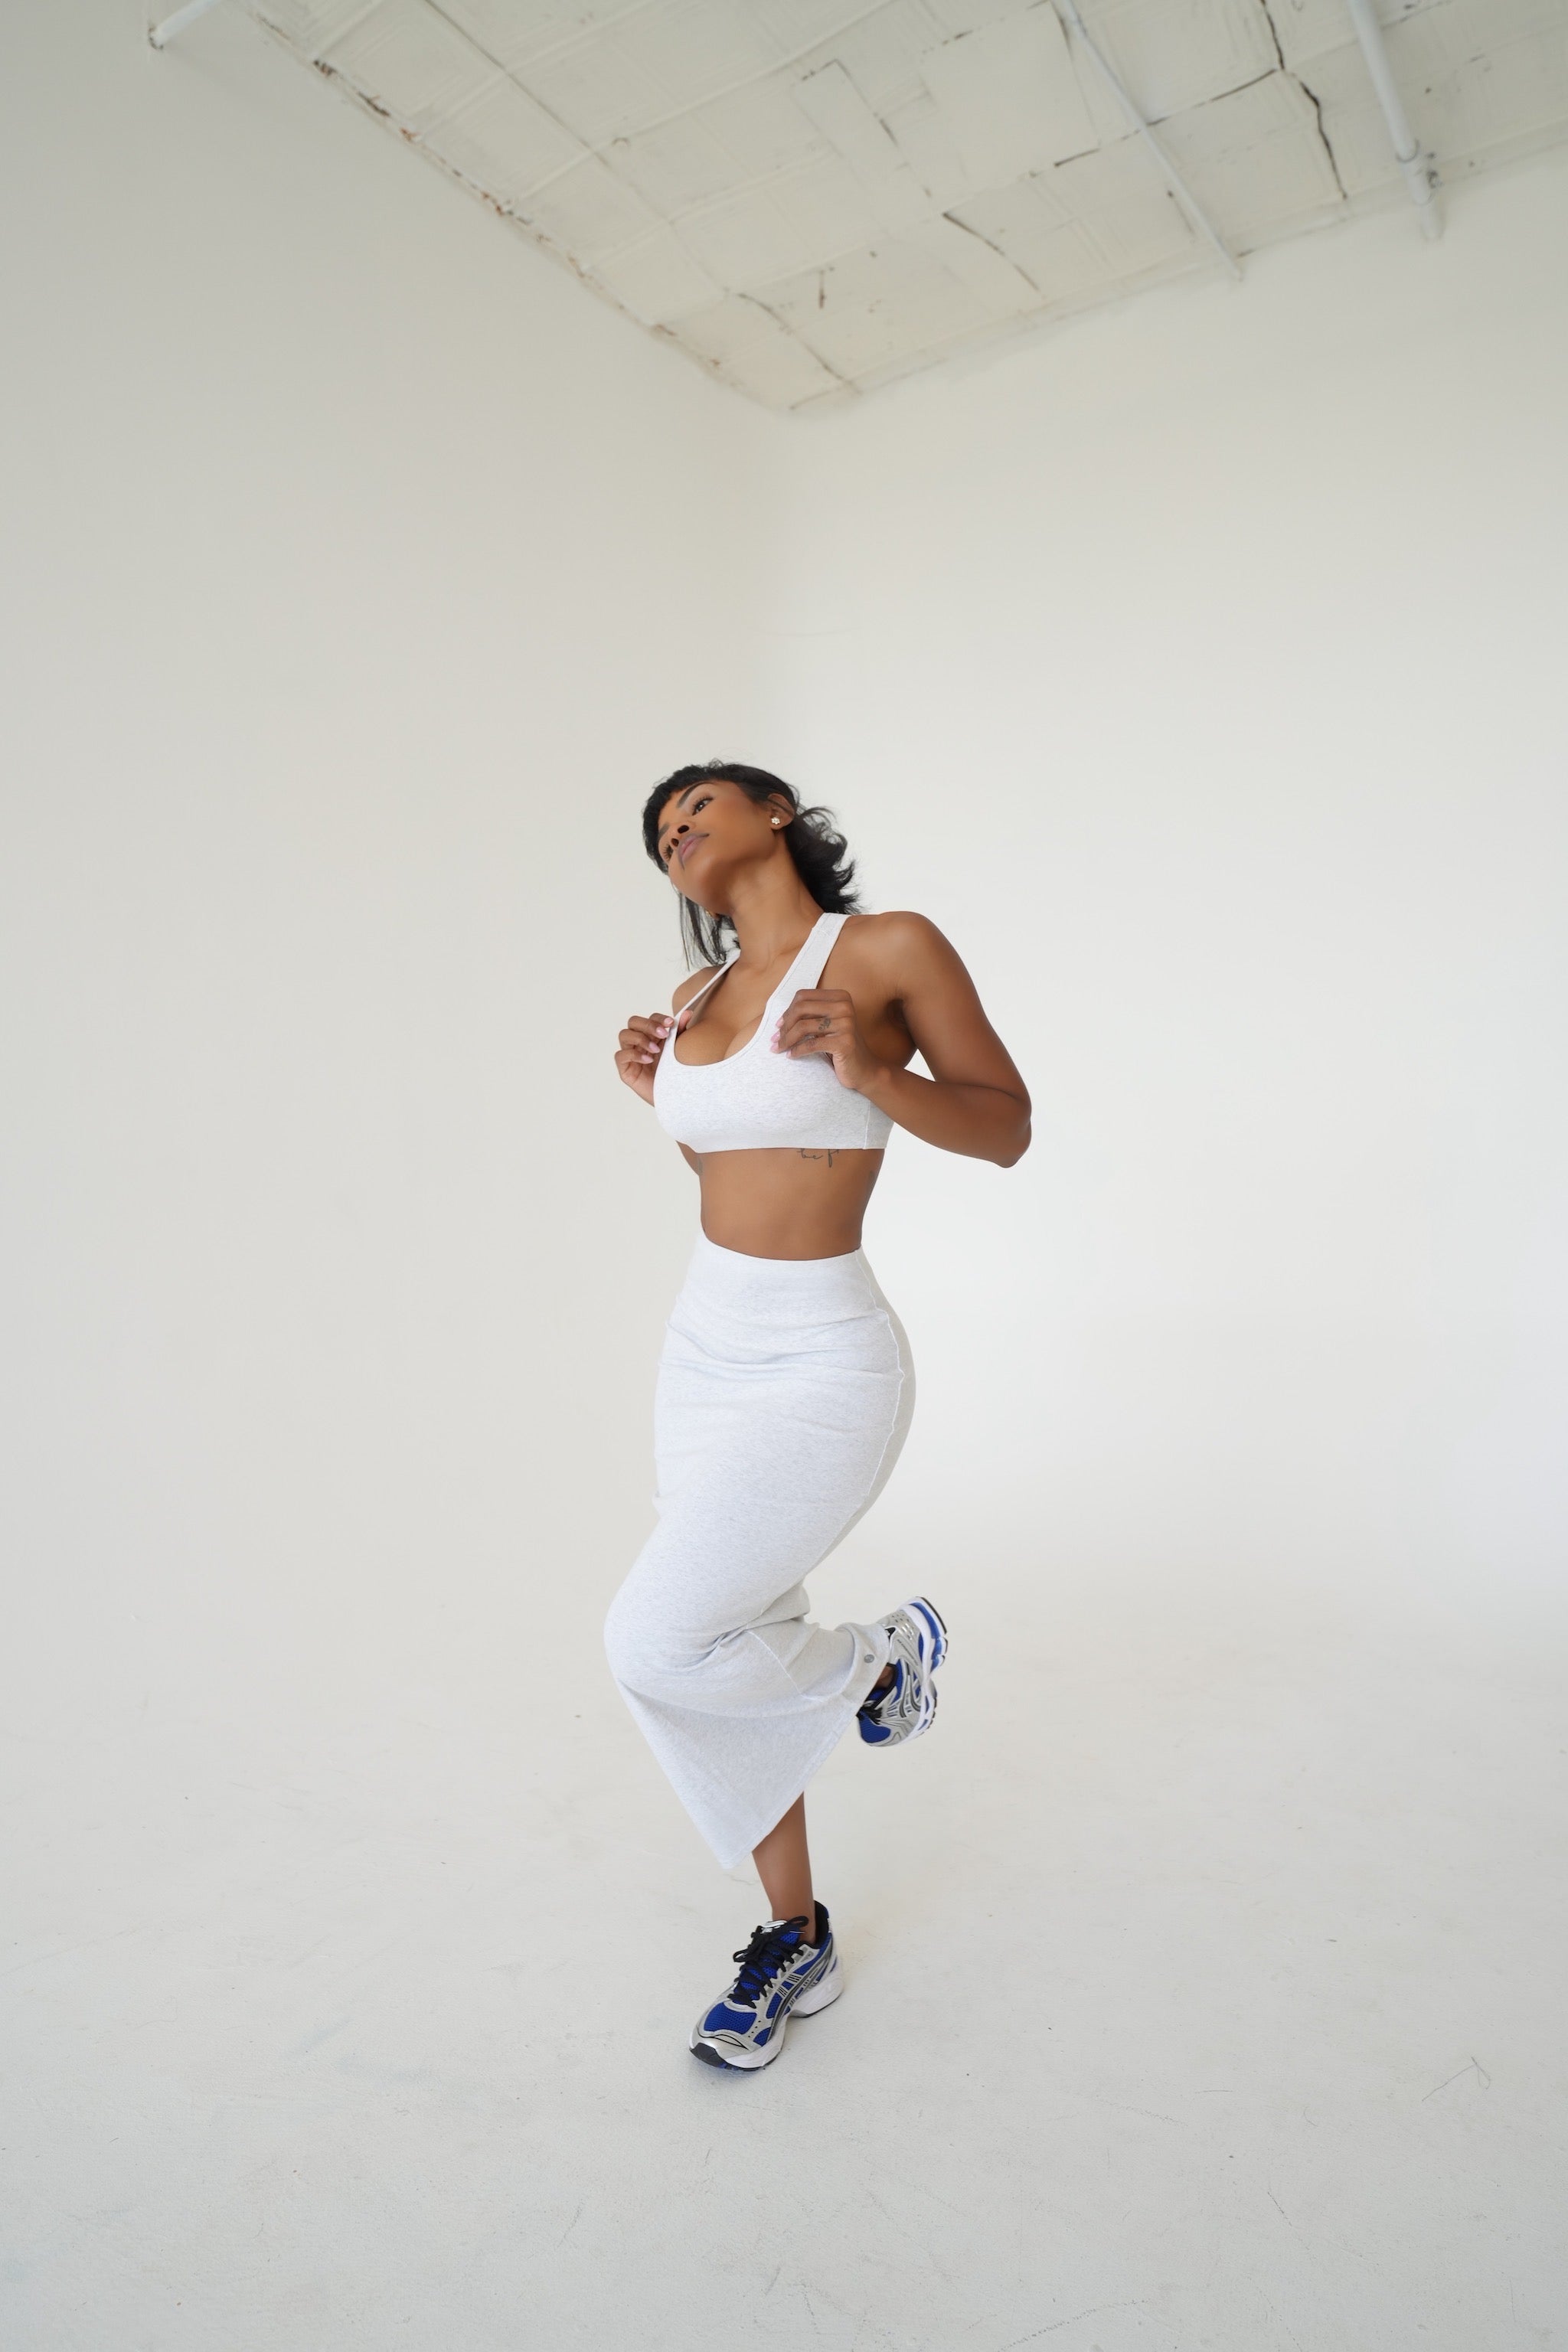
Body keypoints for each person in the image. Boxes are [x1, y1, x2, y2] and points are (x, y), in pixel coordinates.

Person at [608, 761, 1029, 2071]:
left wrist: (872, 1066)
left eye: (697, 805)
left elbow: (1005, 1128)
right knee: (730, 1632)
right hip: (703, 1349)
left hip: (821, 1360)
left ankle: (872, 1665)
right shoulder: (695, 1000)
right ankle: (795, 1935)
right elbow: (736, 1162)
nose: (676, 830)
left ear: (777, 812)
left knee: (656, 1642)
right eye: (660, 833)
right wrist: (662, 1099)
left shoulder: (886, 949)